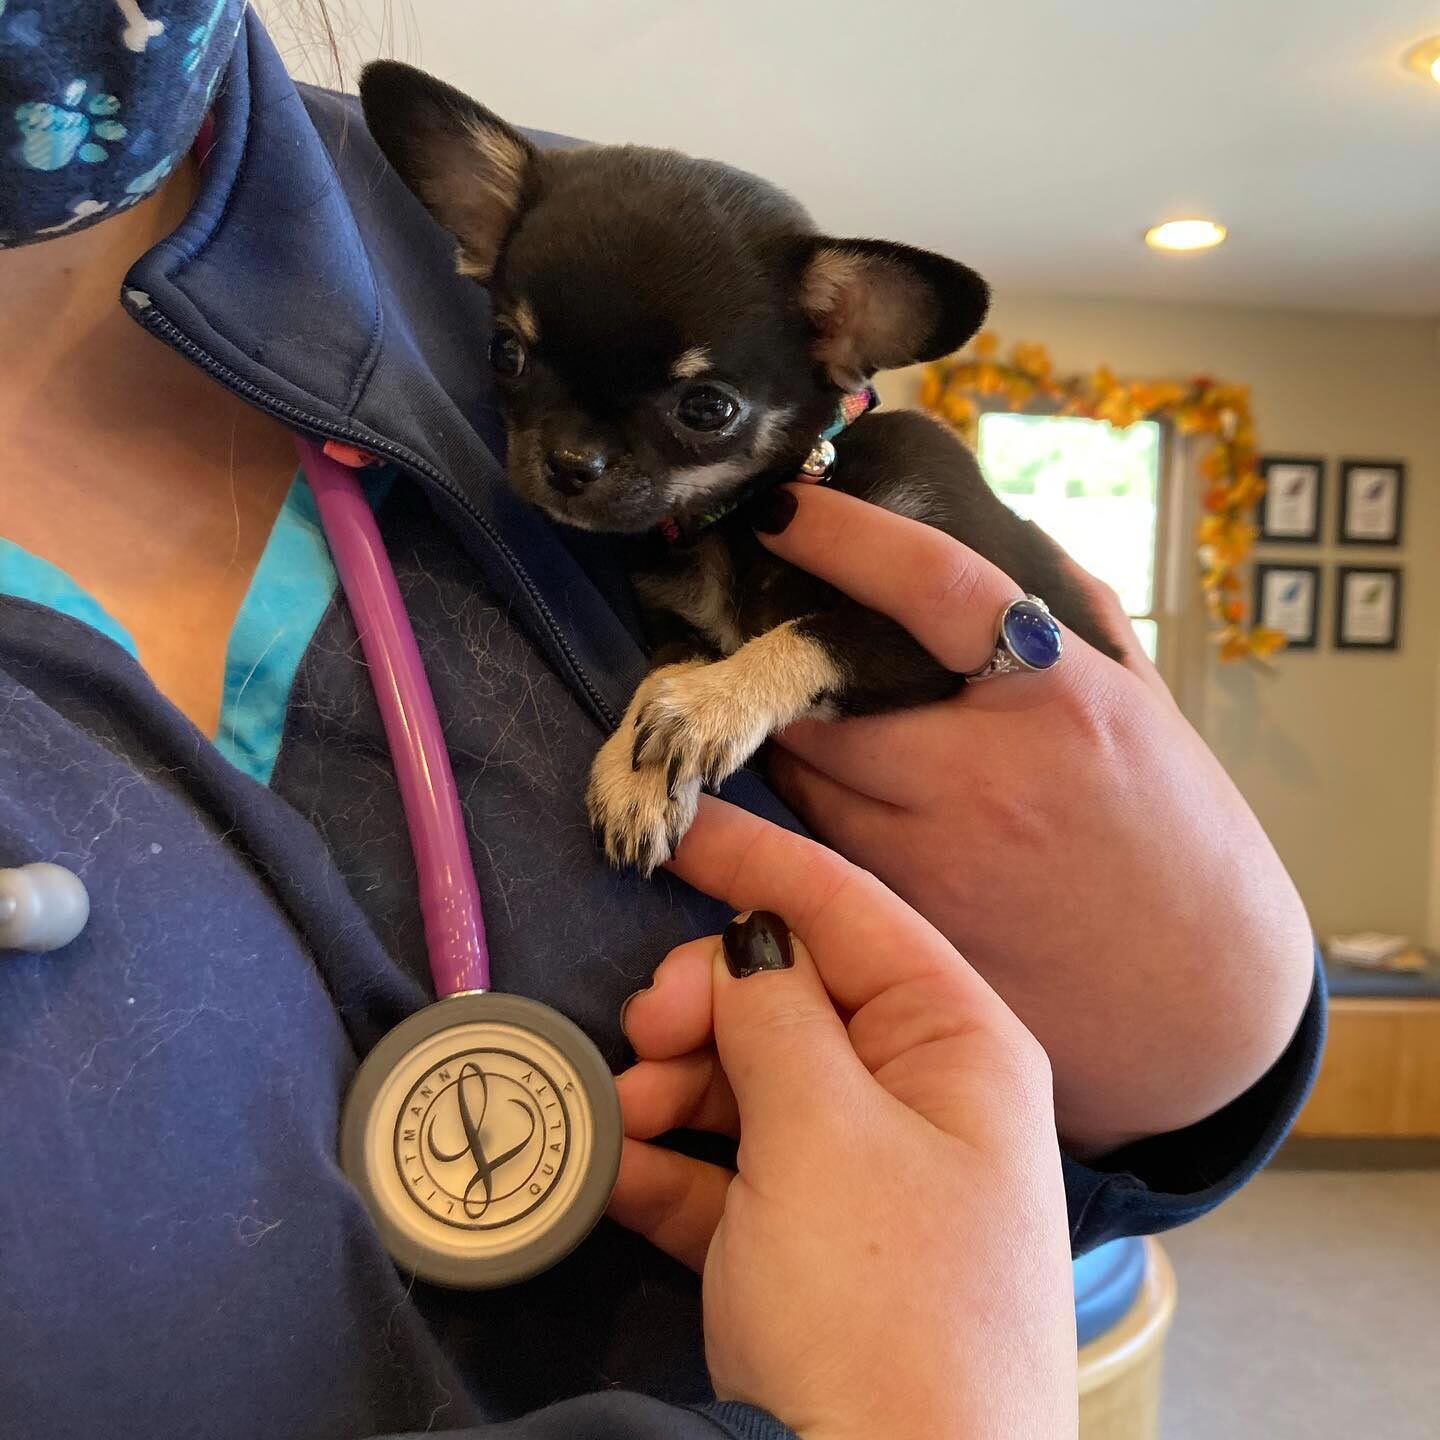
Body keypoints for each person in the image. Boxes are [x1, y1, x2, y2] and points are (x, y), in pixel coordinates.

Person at [0, 5, 1323, 1437]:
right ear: (486, 271)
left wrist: (1222, 1004)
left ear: (833, 349)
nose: (569, 458)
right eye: (516, 369)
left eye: (694, 420)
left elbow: (1000, 1180)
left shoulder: (641, 266)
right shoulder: (553, 241)